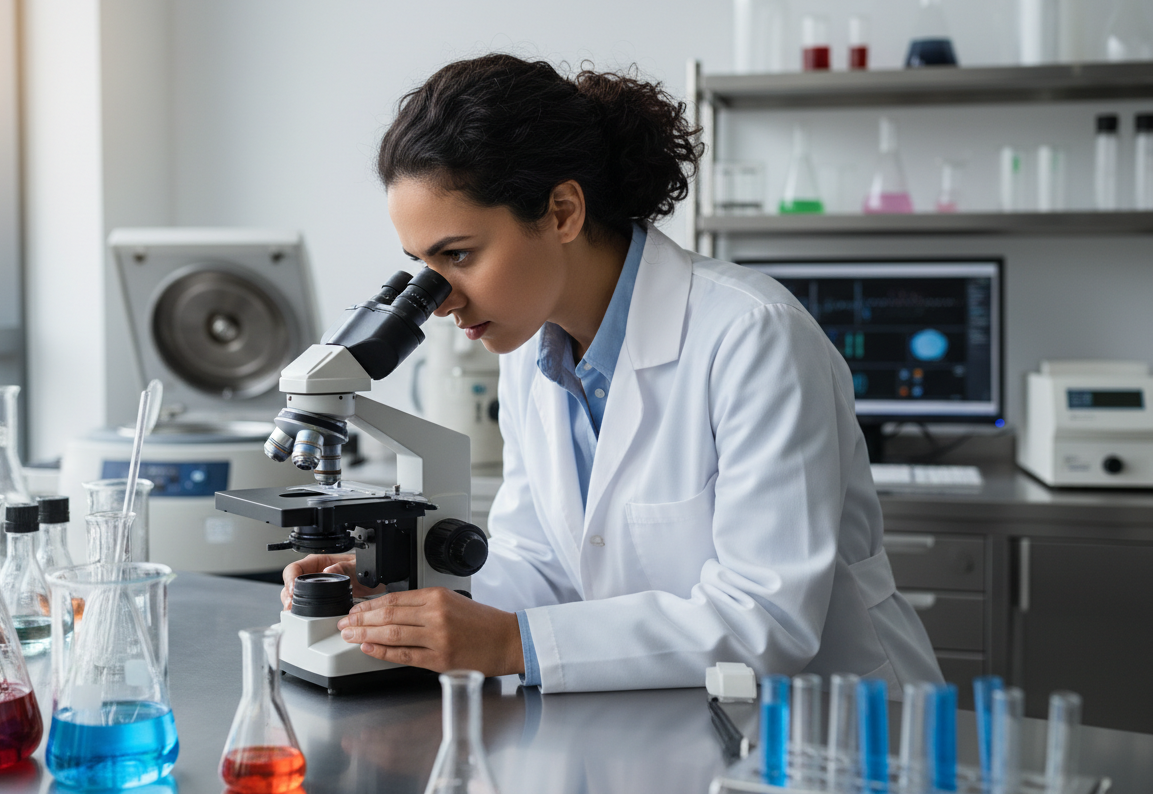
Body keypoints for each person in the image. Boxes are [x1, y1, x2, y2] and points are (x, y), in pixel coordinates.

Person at [282, 53, 942, 695]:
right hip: (663, 722)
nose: (441, 296)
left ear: (563, 212)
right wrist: (404, 588)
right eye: (423, 266)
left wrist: (515, 645)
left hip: (829, 731)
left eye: (458, 255)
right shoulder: (530, 356)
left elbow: (765, 619)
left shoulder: (752, 335)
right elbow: (542, 564)